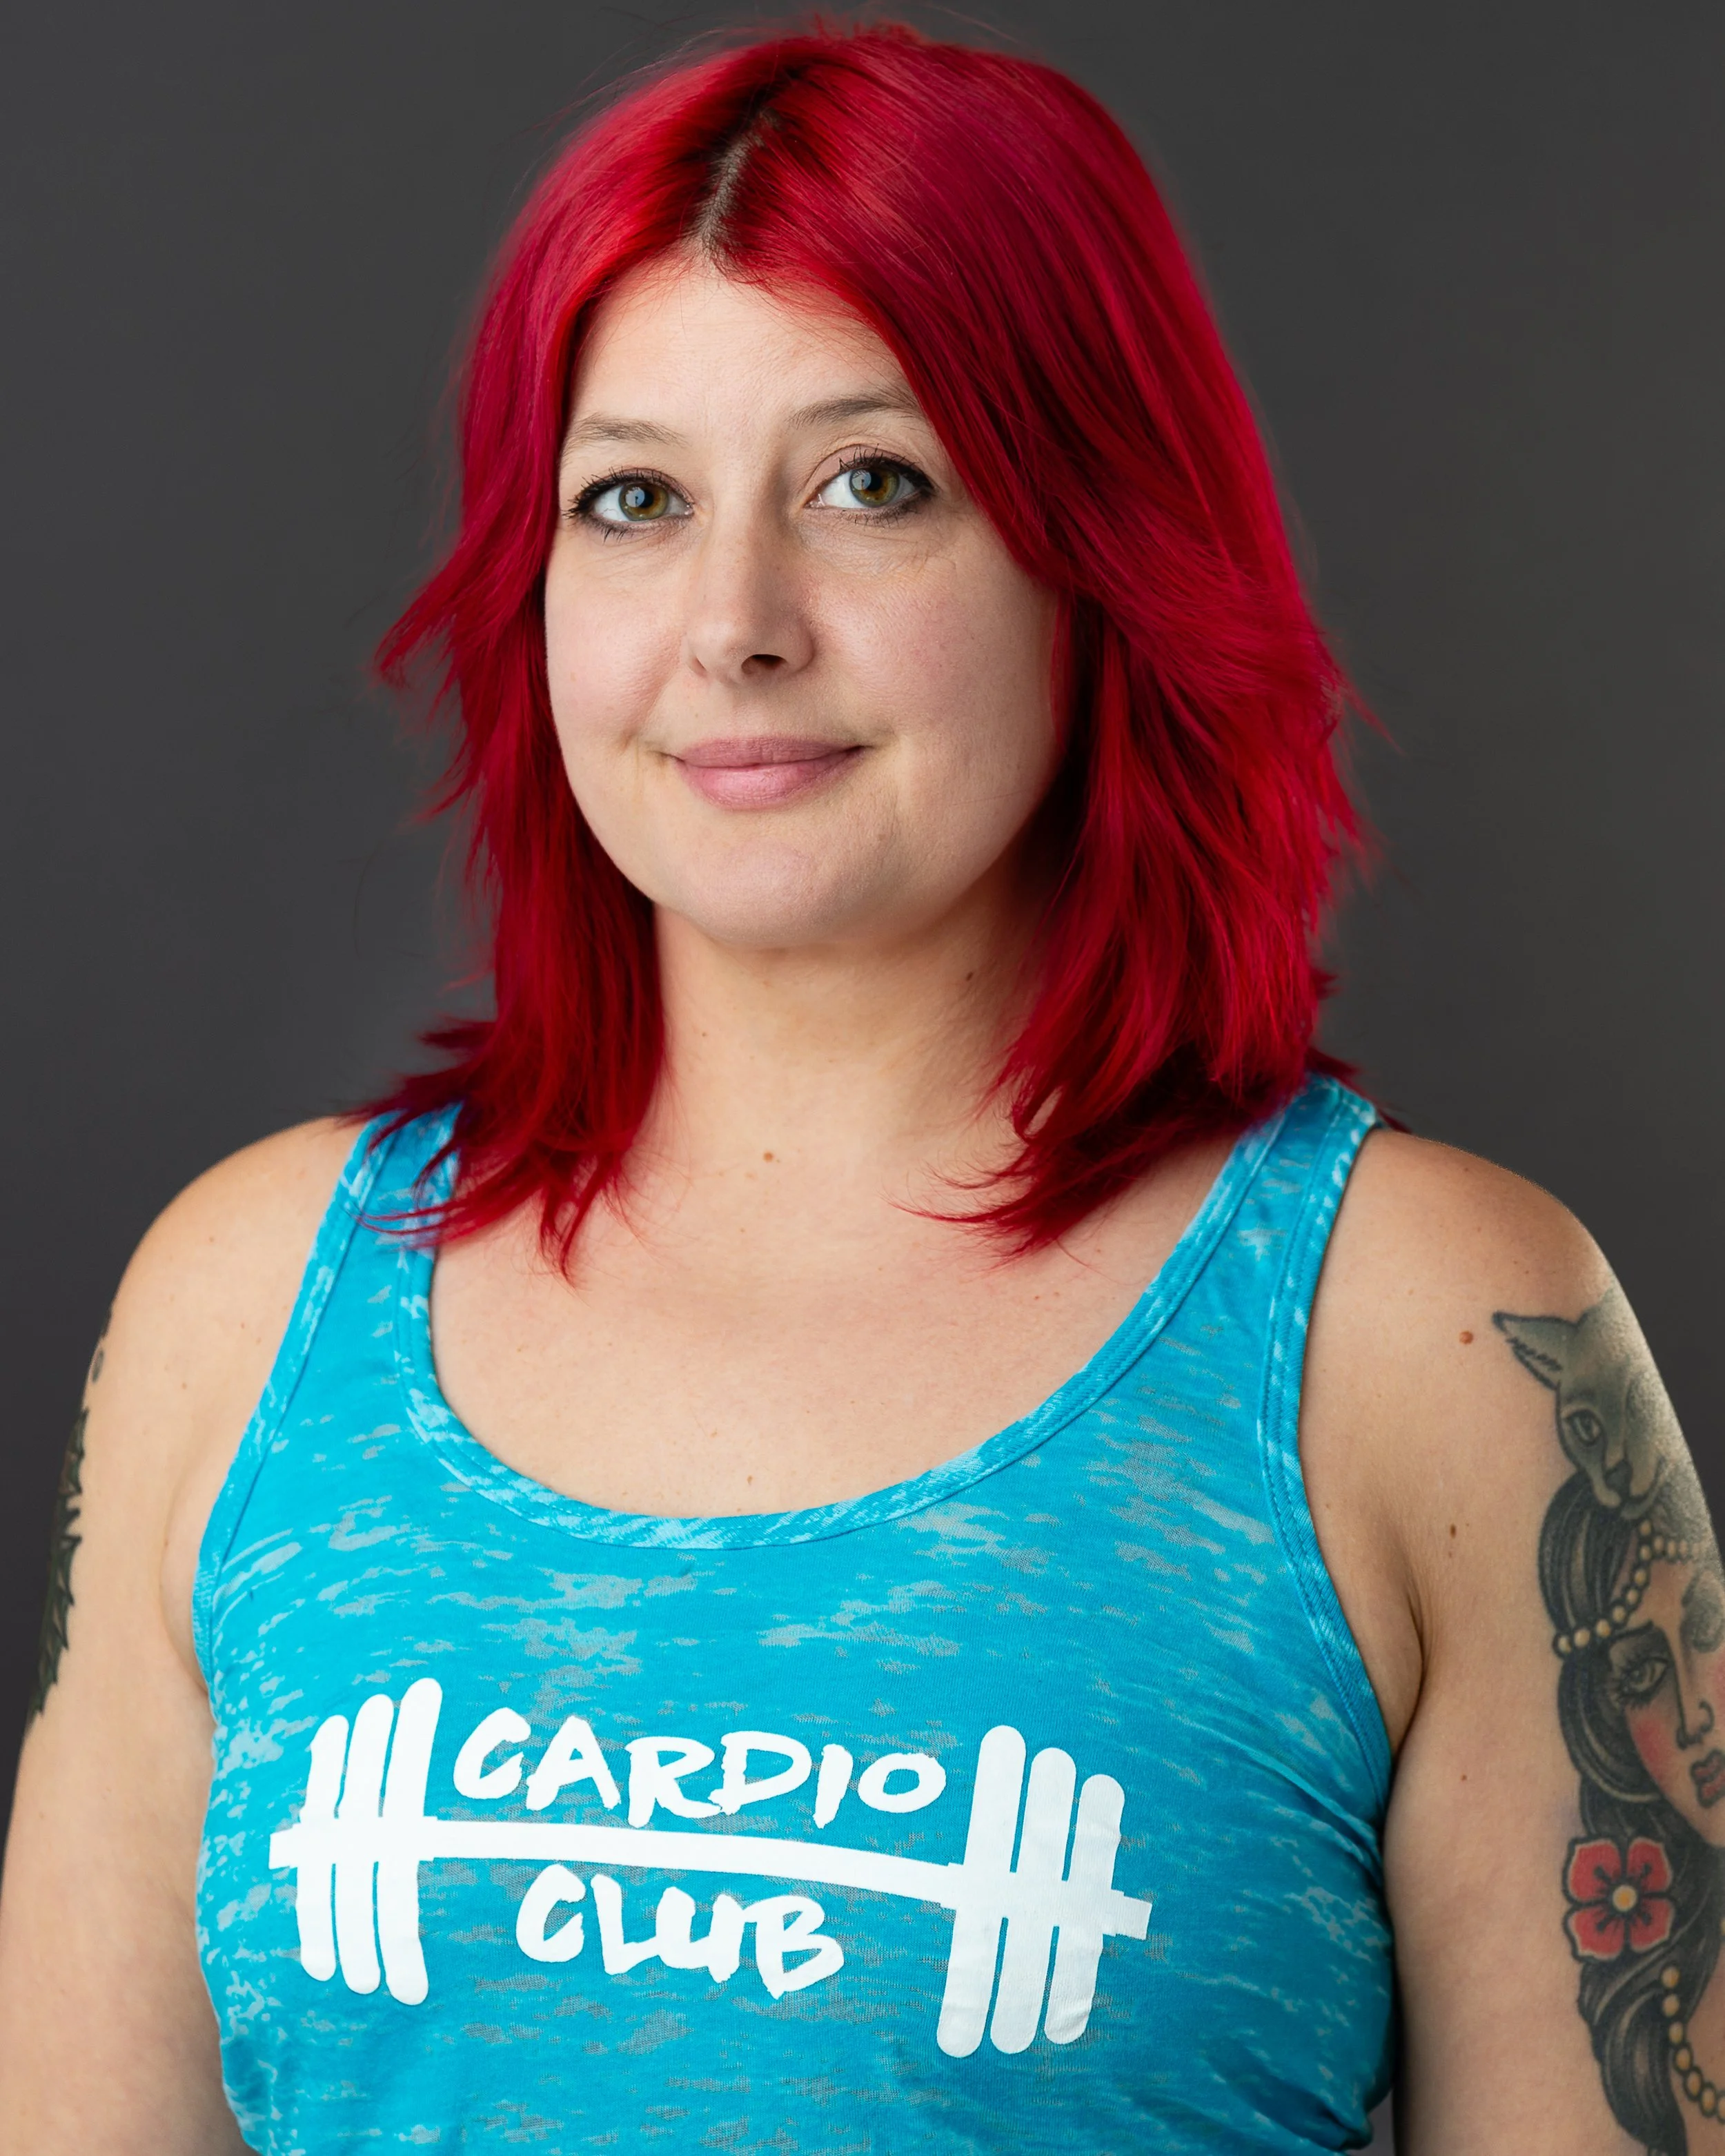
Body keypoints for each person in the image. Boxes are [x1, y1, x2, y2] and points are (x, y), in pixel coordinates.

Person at [0, 22, 1708, 2154]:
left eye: (872, 483)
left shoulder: (1428, 1334)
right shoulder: (247, 1312)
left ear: (1099, 548)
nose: (733, 621)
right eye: (631, 500)